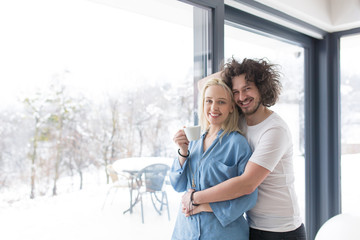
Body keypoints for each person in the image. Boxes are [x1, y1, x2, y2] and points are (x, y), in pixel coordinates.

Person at [181, 58, 307, 240]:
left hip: (281, 230)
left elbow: (247, 184)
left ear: (262, 88)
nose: (241, 97)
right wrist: (233, 73)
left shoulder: (274, 130)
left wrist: (194, 198)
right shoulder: (240, 120)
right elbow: (204, 85)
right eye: (236, 92)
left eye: (247, 88)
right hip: (252, 224)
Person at [169, 78, 258, 240]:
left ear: (232, 107)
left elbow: (249, 197)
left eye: (221, 102)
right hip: (186, 232)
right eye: (208, 101)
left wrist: (205, 206)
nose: (214, 107)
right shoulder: (194, 140)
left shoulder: (237, 144)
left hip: (223, 234)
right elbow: (178, 185)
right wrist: (183, 151)